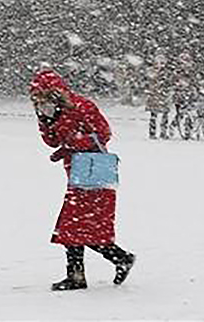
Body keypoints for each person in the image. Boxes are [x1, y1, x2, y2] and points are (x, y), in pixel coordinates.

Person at [29, 69, 135, 291]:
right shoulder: (52, 112)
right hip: (77, 175)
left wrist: (73, 145)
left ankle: (88, 272)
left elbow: (103, 133)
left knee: (76, 227)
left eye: (42, 96)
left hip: (94, 172)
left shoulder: (82, 106)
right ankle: (114, 261)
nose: (39, 101)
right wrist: (46, 120)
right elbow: (51, 141)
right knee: (78, 228)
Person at [145, 54, 171, 139]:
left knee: (164, 114)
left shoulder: (166, 73)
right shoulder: (152, 72)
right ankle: (153, 133)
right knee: (154, 115)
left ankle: (162, 132)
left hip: (161, 96)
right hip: (156, 96)